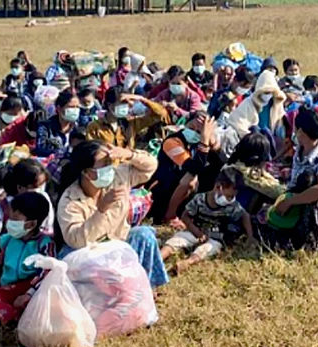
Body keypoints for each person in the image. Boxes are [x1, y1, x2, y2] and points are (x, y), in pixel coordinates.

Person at [55, 140, 167, 288]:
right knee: (68, 256)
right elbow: (77, 240)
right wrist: (101, 210)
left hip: (119, 243)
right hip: (91, 254)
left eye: (110, 162)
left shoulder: (118, 176)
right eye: (104, 164)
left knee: (144, 234)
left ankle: (145, 287)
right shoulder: (70, 201)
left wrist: (130, 154)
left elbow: (149, 167)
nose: (109, 168)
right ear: (86, 172)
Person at [0, 191, 56, 325]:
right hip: (8, 290)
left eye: (15, 219)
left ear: (31, 224)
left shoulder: (45, 244)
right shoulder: (6, 241)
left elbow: (48, 273)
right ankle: (13, 317)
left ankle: (14, 315)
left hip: (32, 290)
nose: (10, 222)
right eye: (10, 218)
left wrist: (29, 294)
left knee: (44, 303)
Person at [266, 107, 318, 250]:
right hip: (294, 195)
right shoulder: (302, 146)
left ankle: (315, 242)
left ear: (301, 132)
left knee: (312, 196)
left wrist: (290, 202)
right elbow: (289, 144)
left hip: (315, 207)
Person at [161, 167, 251, 273]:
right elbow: (186, 216)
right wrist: (196, 231)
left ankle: (187, 263)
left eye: (232, 197)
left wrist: (250, 236)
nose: (230, 199)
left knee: (208, 249)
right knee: (178, 239)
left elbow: (245, 215)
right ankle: (159, 256)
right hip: (195, 232)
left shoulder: (233, 206)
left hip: (215, 238)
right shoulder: (200, 199)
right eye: (229, 196)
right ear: (218, 187)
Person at [0, 159, 50, 273]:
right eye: (35, 187)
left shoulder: (44, 203)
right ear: (20, 187)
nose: (39, 191)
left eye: (41, 186)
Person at [149, 112, 225, 223]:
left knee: (214, 172)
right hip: (163, 187)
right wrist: (204, 140)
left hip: (182, 190)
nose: (195, 132)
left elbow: (220, 163)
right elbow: (194, 168)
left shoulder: (197, 142)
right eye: (192, 128)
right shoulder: (173, 141)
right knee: (191, 178)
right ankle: (169, 216)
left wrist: (213, 143)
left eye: (200, 130)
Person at [34, 90, 80, 158]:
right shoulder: (45, 126)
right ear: (59, 108)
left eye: (77, 107)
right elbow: (41, 149)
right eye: (71, 107)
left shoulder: (78, 127)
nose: (75, 110)